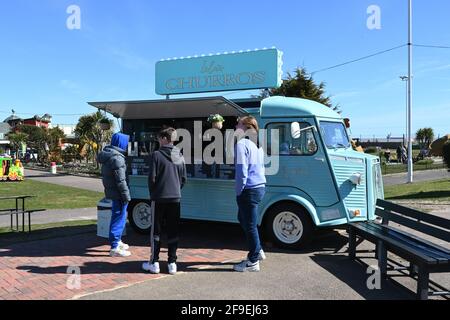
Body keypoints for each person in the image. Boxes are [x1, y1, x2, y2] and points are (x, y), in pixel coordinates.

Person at [142, 128, 187, 275]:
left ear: (164, 138)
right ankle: (172, 263)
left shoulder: (156, 154)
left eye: (159, 138)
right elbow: (183, 179)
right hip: (175, 197)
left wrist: (154, 193)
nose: (158, 141)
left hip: (159, 197)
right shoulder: (179, 154)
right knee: (173, 231)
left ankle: (154, 262)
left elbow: (152, 179)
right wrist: (176, 189)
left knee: (156, 231)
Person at [233, 116, 267, 272]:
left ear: (245, 127)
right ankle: (258, 250)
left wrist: (239, 191)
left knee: (250, 225)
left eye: (238, 124)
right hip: (259, 187)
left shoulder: (241, 144)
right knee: (243, 219)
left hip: (249, 189)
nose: (235, 126)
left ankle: (253, 261)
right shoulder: (257, 144)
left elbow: (242, 171)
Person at [97, 133, 132, 257]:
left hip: (113, 192)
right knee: (119, 217)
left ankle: (117, 241)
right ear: (121, 143)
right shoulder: (117, 158)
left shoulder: (109, 155)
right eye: (126, 142)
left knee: (117, 217)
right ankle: (115, 247)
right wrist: (126, 195)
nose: (127, 145)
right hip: (119, 193)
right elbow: (121, 180)